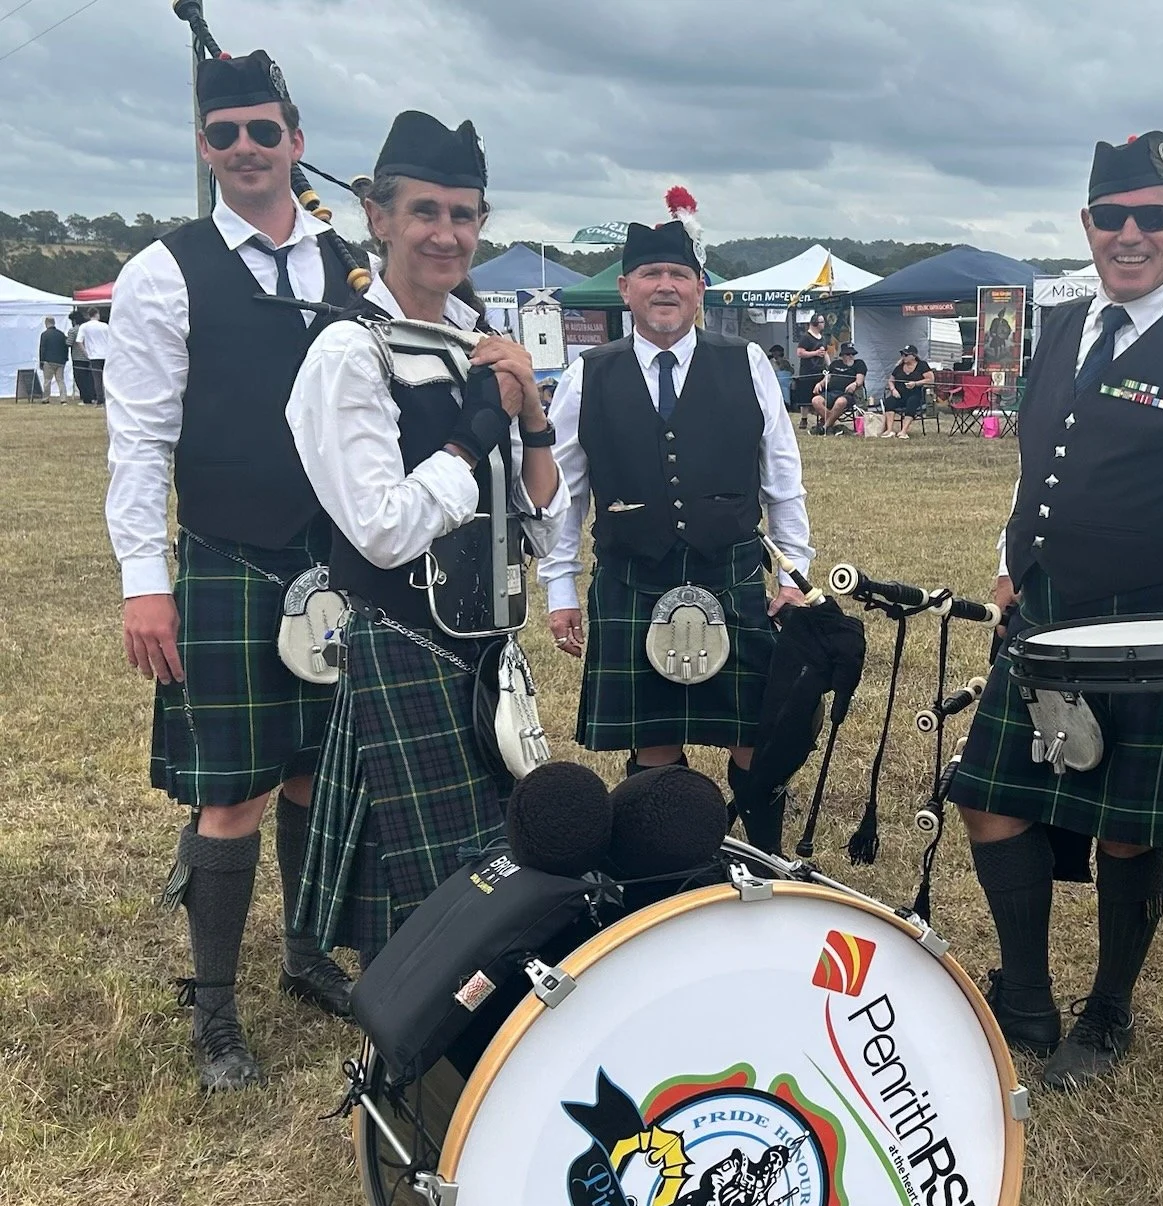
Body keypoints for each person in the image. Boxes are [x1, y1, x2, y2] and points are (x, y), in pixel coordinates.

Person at [945, 130, 1163, 1090]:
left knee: (1130, 822)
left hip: (1150, 621)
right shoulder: (1064, 325)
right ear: (1086, 223)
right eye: (1111, 216)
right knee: (992, 799)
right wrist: (1009, 561)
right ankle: (1028, 999)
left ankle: (1110, 1007)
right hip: (1045, 606)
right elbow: (1038, 466)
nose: (1130, 234)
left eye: (1151, 218)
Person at [103, 49, 357, 1092]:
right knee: (234, 791)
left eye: (264, 130)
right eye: (224, 135)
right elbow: (138, 438)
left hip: (336, 555)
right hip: (228, 553)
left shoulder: (352, 263)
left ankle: (304, 955)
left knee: (312, 766)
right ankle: (214, 1011)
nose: (245, 150)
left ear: (296, 138)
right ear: (205, 149)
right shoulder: (165, 270)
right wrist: (142, 576)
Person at [288, 111, 562, 966]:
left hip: (486, 648)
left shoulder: (468, 344)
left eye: (465, 215)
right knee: (412, 917)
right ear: (377, 215)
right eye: (426, 212)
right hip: (404, 647)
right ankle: (404, 1074)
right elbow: (380, 530)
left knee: (486, 888)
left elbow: (538, 517)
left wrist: (535, 419)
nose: (447, 234)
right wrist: (478, 430)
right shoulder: (348, 352)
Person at [540, 213, 813, 853]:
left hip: (733, 572)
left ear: (700, 289)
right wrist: (560, 589)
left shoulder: (745, 362)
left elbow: (782, 474)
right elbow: (566, 490)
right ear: (626, 288)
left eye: (679, 275)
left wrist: (795, 572)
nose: (666, 286)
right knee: (654, 737)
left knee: (755, 729)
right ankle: (672, 865)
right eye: (651, 274)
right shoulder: (588, 374)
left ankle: (766, 856)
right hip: (635, 573)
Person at [811, 341, 866, 434]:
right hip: (831, 392)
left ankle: (824, 427)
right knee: (815, 400)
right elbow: (827, 378)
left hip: (848, 394)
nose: (851, 356)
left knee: (840, 402)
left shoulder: (859, 364)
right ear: (843, 355)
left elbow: (860, 381)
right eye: (848, 354)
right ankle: (834, 425)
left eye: (853, 354)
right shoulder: (835, 364)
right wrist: (820, 384)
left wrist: (854, 384)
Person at [882, 344, 932, 437]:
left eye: (906, 355)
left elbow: (930, 379)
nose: (903, 357)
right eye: (902, 354)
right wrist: (893, 390)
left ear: (913, 356)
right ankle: (889, 430)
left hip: (916, 394)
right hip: (900, 395)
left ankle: (903, 431)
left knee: (912, 402)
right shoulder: (899, 367)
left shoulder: (922, 365)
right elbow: (890, 380)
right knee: (889, 401)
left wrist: (915, 383)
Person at [793, 313, 828, 423]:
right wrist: (815, 353)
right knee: (805, 396)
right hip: (808, 371)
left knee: (821, 395)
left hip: (820, 371)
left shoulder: (822, 338)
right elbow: (800, 353)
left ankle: (822, 417)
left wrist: (830, 366)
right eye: (821, 322)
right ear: (815, 323)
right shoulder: (806, 337)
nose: (824, 324)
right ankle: (804, 418)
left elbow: (825, 353)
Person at [77, 309, 110, 403]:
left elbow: (79, 341)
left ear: (89, 315)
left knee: (97, 379)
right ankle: (108, 397)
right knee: (107, 378)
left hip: (94, 356)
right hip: (106, 355)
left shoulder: (84, 326)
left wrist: (86, 353)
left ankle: (100, 398)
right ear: (97, 314)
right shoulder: (105, 326)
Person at [68, 310, 97, 404]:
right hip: (90, 356)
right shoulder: (87, 328)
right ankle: (93, 396)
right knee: (90, 379)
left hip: (78, 358)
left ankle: (85, 398)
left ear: (74, 320)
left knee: (80, 379)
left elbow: (69, 343)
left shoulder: (73, 330)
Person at [37, 317, 69, 401]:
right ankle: (63, 399)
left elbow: (42, 348)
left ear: (46, 323)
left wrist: (41, 361)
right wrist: (65, 358)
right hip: (60, 361)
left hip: (48, 361)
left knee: (47, 381)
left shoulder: (44, 334)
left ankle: (46, 398)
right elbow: (65, 347)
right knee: (61, 380)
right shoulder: (61, 334)